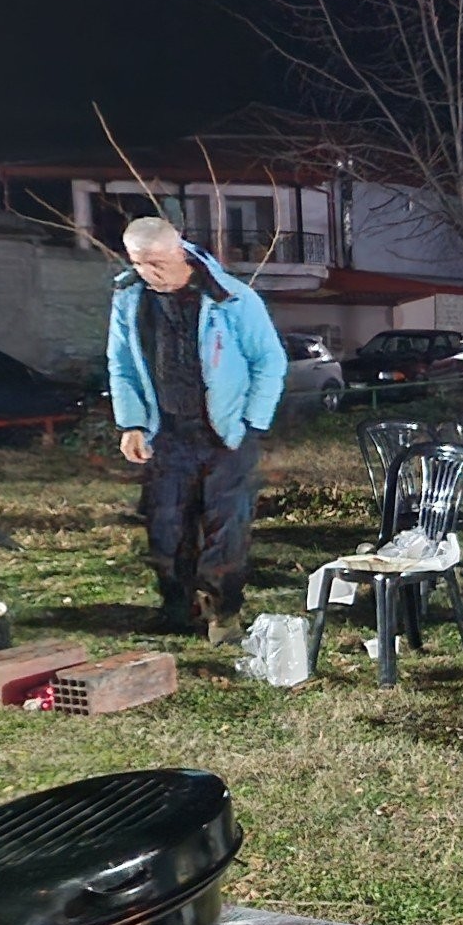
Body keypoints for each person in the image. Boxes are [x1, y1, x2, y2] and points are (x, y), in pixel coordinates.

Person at [107, 217, 287, 644]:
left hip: (226, 435)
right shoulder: (129, 300)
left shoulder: (232, 298)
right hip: (165, 434)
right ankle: (177, 609)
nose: (150, 273)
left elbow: (270, 362)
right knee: (166, 527)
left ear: (181, 252)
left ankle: (223, 611)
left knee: (227, 528)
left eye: (158, 262)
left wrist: (251, 422)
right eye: (139, 263)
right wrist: (131, 423)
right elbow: (122, 365)